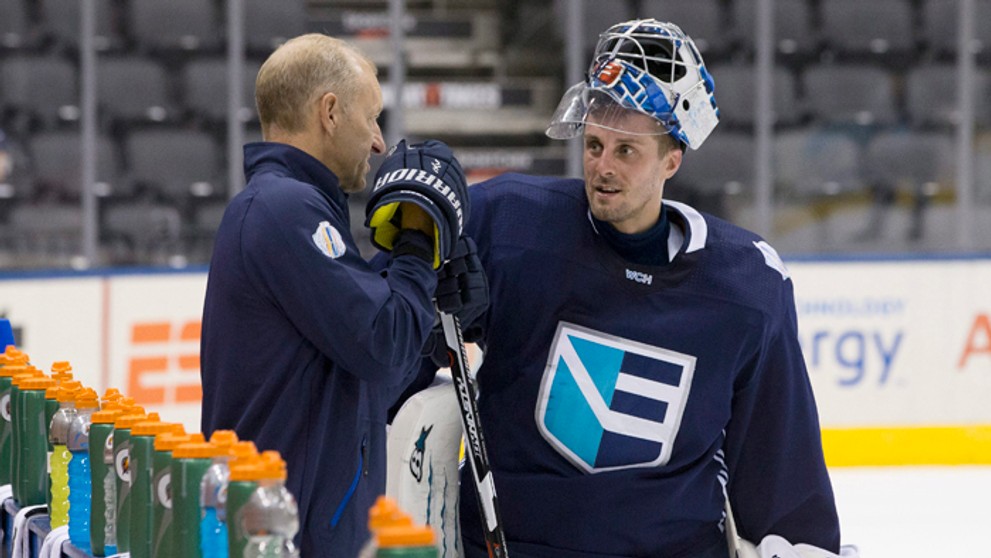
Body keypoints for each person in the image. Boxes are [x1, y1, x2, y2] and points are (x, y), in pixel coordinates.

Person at [401, 18, 841, 557]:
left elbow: (780, 468)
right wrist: (420, 297)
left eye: (626, 152)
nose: (602, 168)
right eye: (593, 145)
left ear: (671, 161)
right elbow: (386, 350)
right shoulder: (508, 225)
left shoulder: (747, 287)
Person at [199, 33, 478, 557]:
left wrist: (426, 320)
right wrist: (417, 241)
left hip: (299, 528)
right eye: (371, 117)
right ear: (329, 111)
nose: (378, 142)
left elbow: (362, 381)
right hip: (287, 536)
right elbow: (382, 342)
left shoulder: (287, 209)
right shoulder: (284, 210)